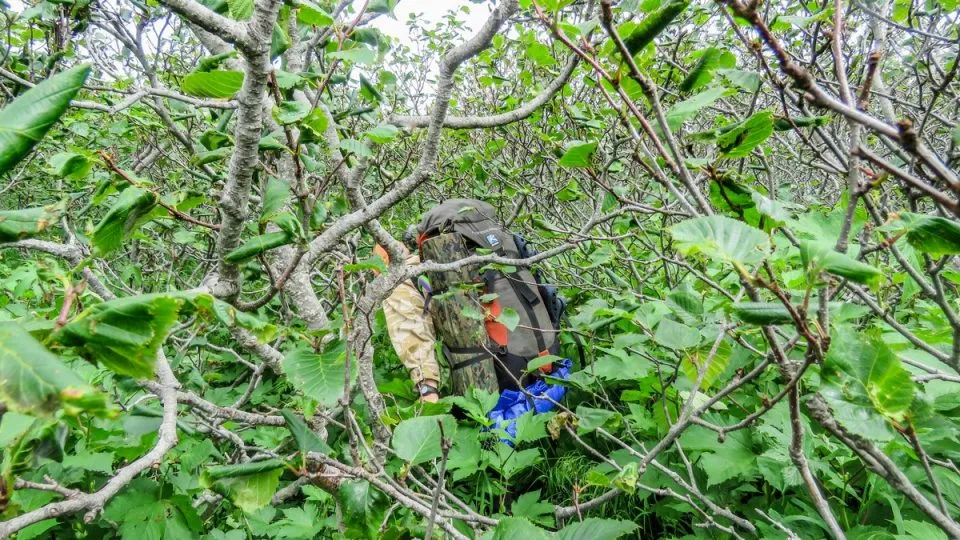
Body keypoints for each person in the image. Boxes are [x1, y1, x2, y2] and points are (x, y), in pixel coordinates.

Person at [377, 201, 578, 441]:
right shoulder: (498, 245)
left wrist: (428, 394)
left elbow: (413, 334)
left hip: (498, 389)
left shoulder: (408, 276)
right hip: (553, 368)